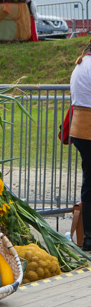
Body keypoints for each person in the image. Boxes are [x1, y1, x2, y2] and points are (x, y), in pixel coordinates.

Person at [70, 38, 91, 250]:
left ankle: (89, 238)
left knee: (89, 182)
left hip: (81, 129)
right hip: (88, 128)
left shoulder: (82, 63)